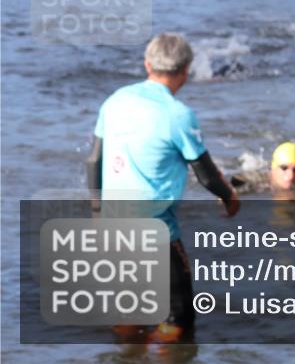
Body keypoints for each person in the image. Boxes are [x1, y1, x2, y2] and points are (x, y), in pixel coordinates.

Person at [86, 33, 241, 344]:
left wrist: (97, 211)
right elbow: (207, 176)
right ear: (186, 70)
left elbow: (94, 161)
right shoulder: (178, 114)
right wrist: (230, 198)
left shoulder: (115, 100)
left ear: (147, 64)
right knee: (178, 320)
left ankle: (128, 354)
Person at [230, 141, 295, 199]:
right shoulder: (257, 182)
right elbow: (231, 182)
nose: (290, 176)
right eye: (284, 168)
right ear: (273, 168)